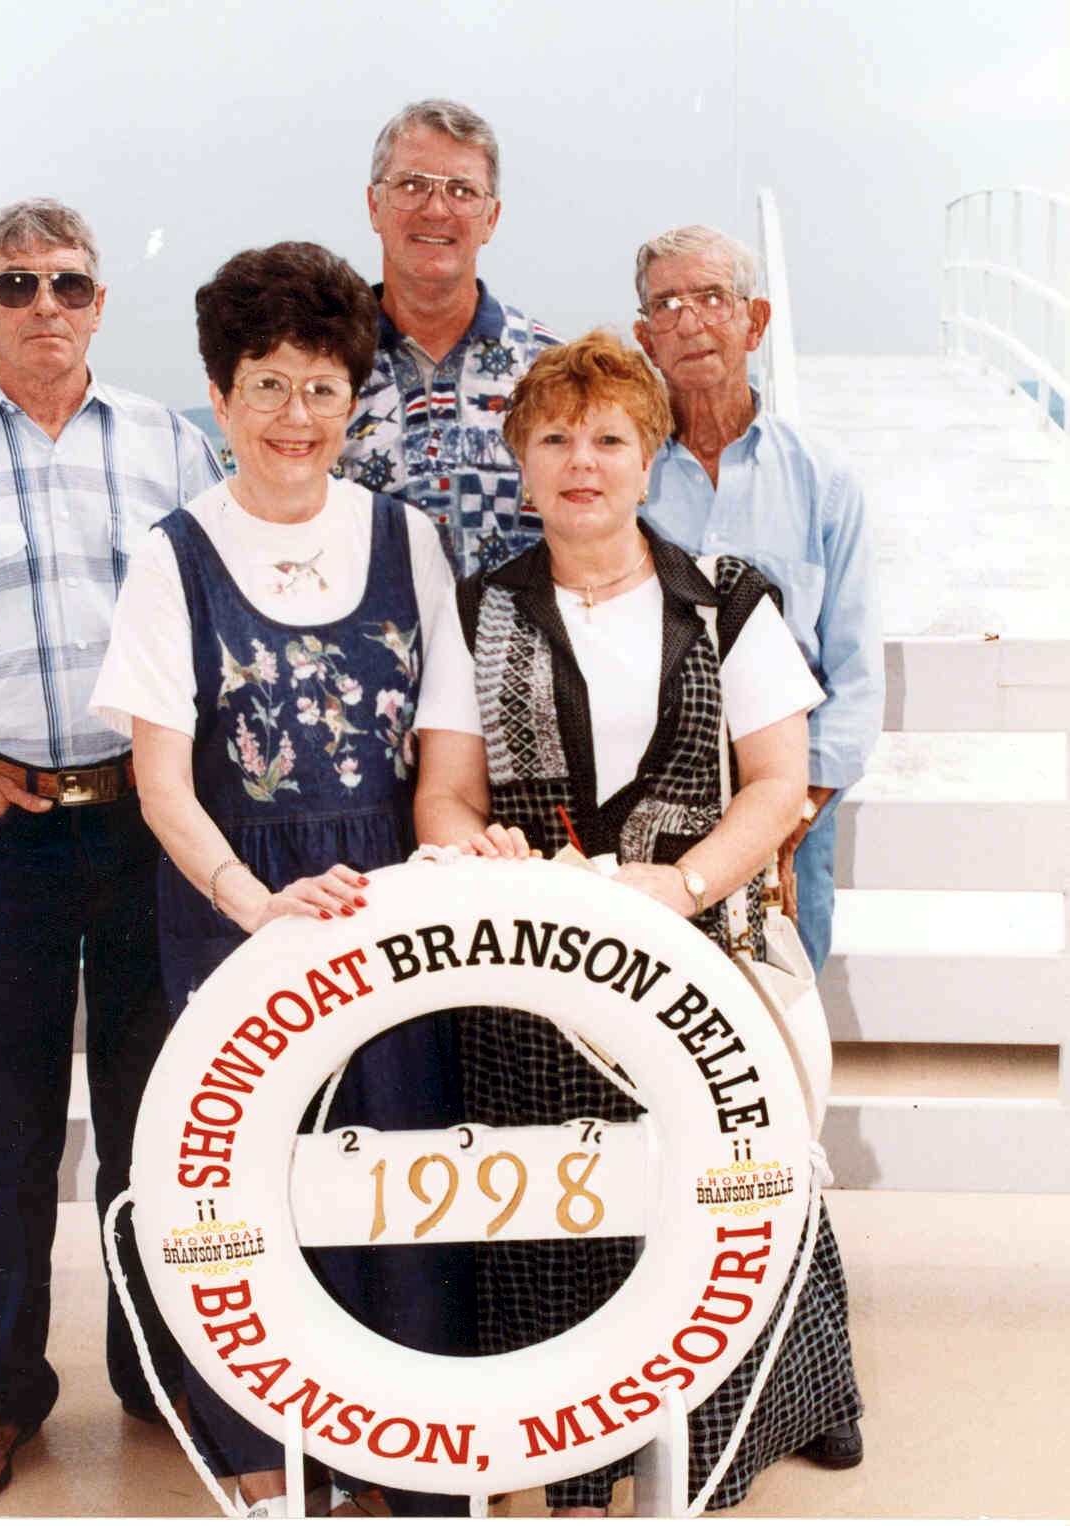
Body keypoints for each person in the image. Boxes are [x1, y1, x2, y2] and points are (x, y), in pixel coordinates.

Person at [414, 332, 864, 1514]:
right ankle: (573, 1443)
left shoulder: (727, 601)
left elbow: (777, 781)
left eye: (609, 438)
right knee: (553, 1187)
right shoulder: (475, 608)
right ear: (519, 463)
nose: (582, 461)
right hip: (533, 973)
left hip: (696, 962)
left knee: (720, 1186)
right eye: (554, 438)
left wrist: (685, 883)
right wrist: (477, 847)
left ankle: (764, 1408)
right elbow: (443, 794)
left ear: (648, 457)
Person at [92, 241, 478, 1518]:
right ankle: (261, 1455)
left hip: (386, 900)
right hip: (236, 905)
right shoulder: (172, 556)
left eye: (321, 386)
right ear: (219, 397)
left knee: (399, 1164)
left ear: (354, 400)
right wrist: (253, 906)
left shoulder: (409, 540)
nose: (294, 415)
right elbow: (161, 783)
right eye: (265, 384)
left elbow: (444, 755)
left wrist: (427, 871)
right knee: (249, 1183)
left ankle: (404, 1457)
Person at [0, 197, 222, 1512]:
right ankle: (4, 1391)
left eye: (68, 283)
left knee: (151, 1113)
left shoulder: (166, 444)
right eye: (17, 284)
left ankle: (152, 1373)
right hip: (6, 834)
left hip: (143, 827)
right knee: (15, 1120)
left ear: (98, 303)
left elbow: (214, 620)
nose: (44, 305)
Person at [634, 225, 884, 974]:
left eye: (712, 297)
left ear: (756, 320)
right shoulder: (619, 470)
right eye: (665, 305)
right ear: (645, 339)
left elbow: (855, 676)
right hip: (646, 799)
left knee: (783, 1012)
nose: (689, 321)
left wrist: (788, 818)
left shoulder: (823, 482)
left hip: (792, 808)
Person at [337, 98, 559, 576]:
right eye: (411, 185)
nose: (436, 209)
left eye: (462, 191)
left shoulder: (552, 370)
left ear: (491, 218)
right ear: (374, 206)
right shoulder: (323, 370)